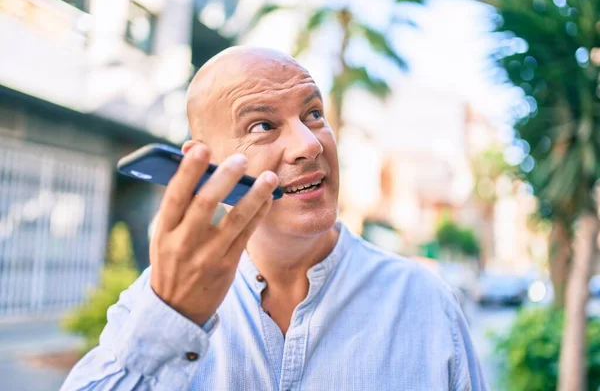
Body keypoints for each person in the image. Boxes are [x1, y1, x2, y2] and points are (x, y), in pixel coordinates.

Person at [61, 46, 487, 391]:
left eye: (314, 114)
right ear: (201, 166)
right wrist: (173, 322)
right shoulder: (154, 300)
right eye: (263, 125)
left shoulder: (425, 303)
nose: (308, 144)